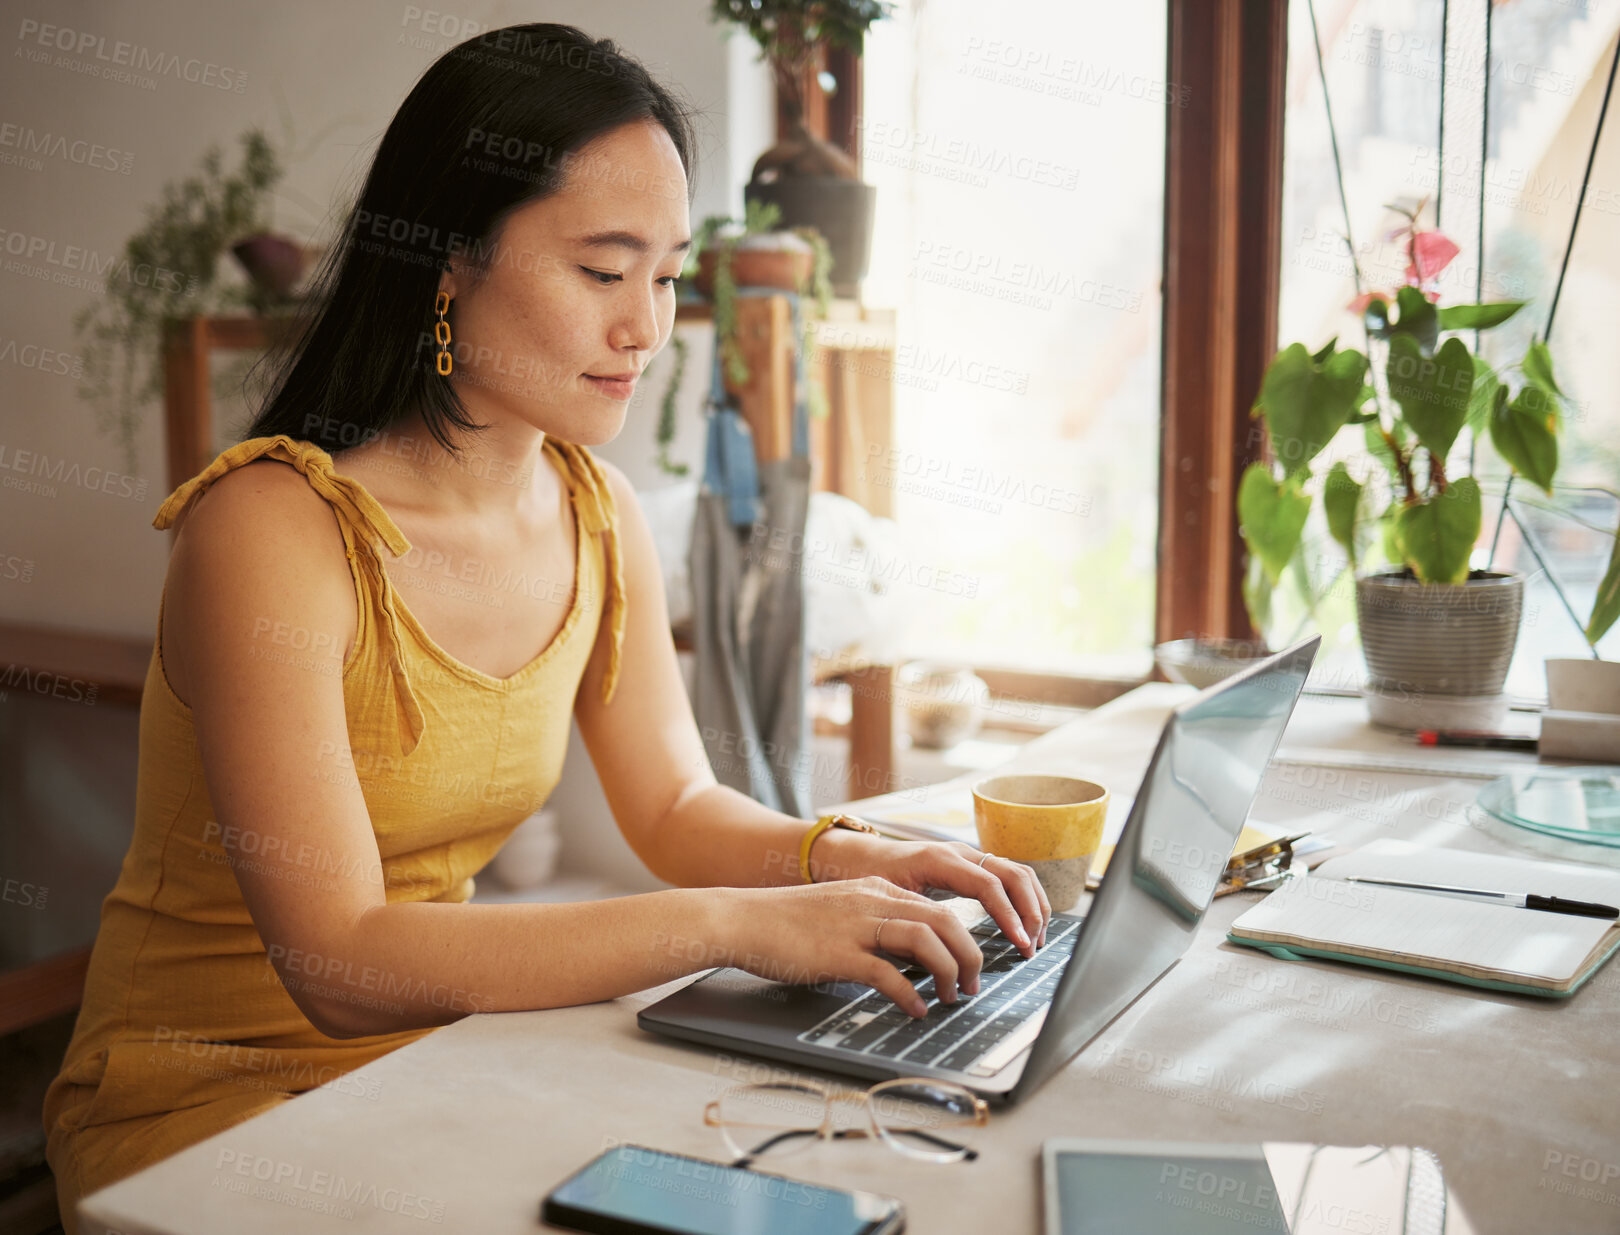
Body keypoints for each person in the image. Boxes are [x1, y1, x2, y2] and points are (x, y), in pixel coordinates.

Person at [44, 22, 1049, 1231]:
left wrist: (850, 858)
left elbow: (676, 807)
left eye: (668, 273)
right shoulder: (273, 528)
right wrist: (743, 925)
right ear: (448, 265)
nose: (646, 326)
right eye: (601, 269)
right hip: (201, 1123)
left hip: (434, 1067)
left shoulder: (594, 505)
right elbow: (340, 960)